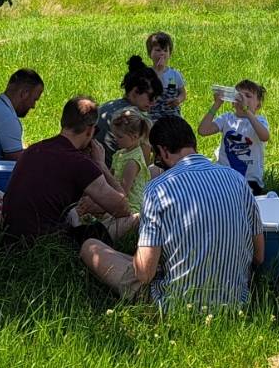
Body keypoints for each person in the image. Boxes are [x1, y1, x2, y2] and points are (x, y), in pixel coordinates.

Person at [80, 115, 262, 309]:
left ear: (163, 152)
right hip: (236, 300)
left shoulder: (158, 189)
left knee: (90, 246)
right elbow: (259, 256)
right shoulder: (237, 180)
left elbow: (144, 274)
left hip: (175, 303)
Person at [1, 95, 132, 247]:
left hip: (10, 241)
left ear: (63, 122)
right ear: (90, 131)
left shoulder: (33, 150)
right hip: (49, 246)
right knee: (134, 218)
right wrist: (101, 165)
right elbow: (123, 209)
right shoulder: (80, 163)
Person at [199, 78, 270, 193]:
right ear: (232, 101)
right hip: (224, 177)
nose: (242, 99)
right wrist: (216, 105)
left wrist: (247, 111)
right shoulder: (226, 118)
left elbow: (265, 136)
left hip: (250, 180)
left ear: (258, 105)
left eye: (248, 96)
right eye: (238, 95)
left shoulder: (259, 121)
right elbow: (203, 130)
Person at [94, 56, 163, 159]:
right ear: (135, 92)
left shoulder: (107, 106)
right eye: (151, 97)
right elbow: (143, 162)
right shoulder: (136, 119)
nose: (153, 103)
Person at [146, 31, 186, 119]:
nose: (162, 53)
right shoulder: (146, 74)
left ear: (169, 54)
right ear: (150, 54)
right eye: (158, 50)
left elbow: (183, 93)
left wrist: (178, 100)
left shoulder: (175, 74)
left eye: (165, 50)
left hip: (172, 115)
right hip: (152, 116)